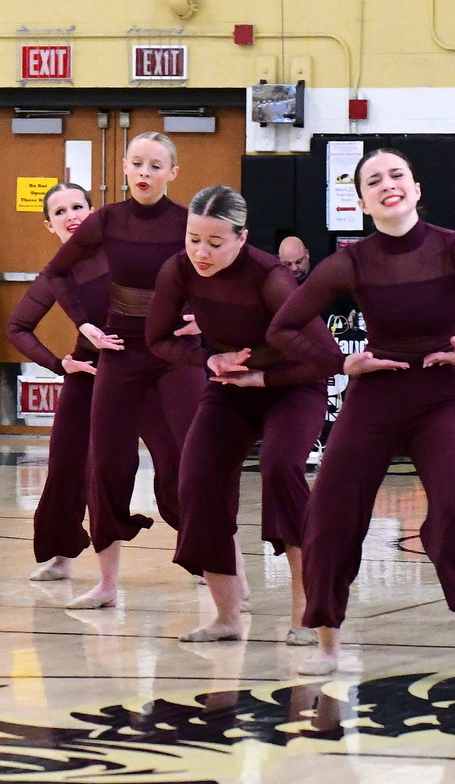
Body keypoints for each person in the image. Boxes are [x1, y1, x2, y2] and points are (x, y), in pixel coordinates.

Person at [267, 148, 455, 679]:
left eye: (396, 175)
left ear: (416, 188)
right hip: (373, 399)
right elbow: (283, 327)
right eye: (374, 181)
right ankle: (328, 644)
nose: (387, 184)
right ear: (362, 202)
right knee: (329, 513)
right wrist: (339, 362)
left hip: (439, 398)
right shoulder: (351, 261)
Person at [146, 185, 338, 644]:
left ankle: (306, 613)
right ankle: (227, 617)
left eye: (215, 243)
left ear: (241, 238)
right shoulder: (178, 270)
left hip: (292, 385)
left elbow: (327, 358)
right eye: (193, 239)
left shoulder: (271, 278)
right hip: (230, 385)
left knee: (281, 468)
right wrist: (208, 360)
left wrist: (265, 379)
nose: (201, 252)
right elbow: (157, 339)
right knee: (197, 478)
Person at [42, 132, 207, 610]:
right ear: (124, 167)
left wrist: (206, 315)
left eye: (155, 165)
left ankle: (224, 569)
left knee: (196, 459)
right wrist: (85, 324)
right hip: (120, 352)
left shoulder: (189, 221)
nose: (144, 173)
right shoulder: (107, 220)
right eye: (137, 163)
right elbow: (55, 272)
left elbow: (229, 272)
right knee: (107, 465)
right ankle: (106, 586)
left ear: (173, 172)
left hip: (175, 353)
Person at [9, 184, 178, 582]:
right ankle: (61, 554)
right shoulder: (56, 274)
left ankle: (203, 552)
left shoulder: (122, 256)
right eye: (60, 211)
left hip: (143, 370)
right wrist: (60, 365)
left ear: (92, 212)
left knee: (175, 459)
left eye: (78, 207)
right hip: (90, 373)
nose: (71, 215)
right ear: (49, 225)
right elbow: (17, 328)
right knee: (65, 463)